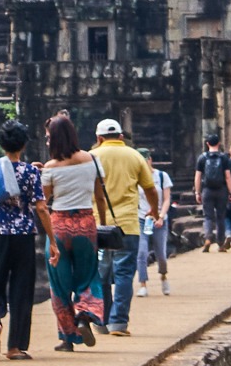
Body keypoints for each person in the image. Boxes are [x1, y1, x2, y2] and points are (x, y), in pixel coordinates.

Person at [0, 121, 43, 359]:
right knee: (22, 290)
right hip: (24, 235)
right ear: (23, 144)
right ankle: (15, 347)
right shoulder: (31, 172)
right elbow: (41, 208)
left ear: (1, 143)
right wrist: (52, 240)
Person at [39, 113, 103, 352]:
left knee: (59, 283)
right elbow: (99, 195)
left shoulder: (51, 167)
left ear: (55, 139)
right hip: (86, 224)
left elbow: (43, 200)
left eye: (48, 138)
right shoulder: (91, 159)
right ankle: (85, 314)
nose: (46, 142)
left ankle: (68, 337)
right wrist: (102, 223)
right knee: (88, 275)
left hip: (59, 226)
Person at [90, 119, 154, 336]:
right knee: (124, 273)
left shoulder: (92, 156)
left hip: (98, 225)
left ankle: (100, 320)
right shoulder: (135, 156)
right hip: (127, 225)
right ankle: (118, 322)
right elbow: (150, 188)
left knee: (101, 274)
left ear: (99, 138)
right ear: (120, 136)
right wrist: (153, 209)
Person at [139, 157, 174, 293]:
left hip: (159, 218)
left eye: (145, 161)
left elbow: (166, 199)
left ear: (150, 160)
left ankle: (164, 276)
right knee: (142, 252)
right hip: (142, 218)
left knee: (161, 253)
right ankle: (143, 285)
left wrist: (160, 216)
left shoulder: (161, 176)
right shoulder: (136, 177)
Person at [194, 135, 231, 252]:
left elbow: (197, 177)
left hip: (207, 190)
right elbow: (227, 176)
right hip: (221, 189)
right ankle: (220, 244)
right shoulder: (224, 158)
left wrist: (197, 192)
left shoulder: (202, 158)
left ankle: (208, 238)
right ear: (219, 143)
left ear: (207, 144)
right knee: (221, 216)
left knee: (208, 217)